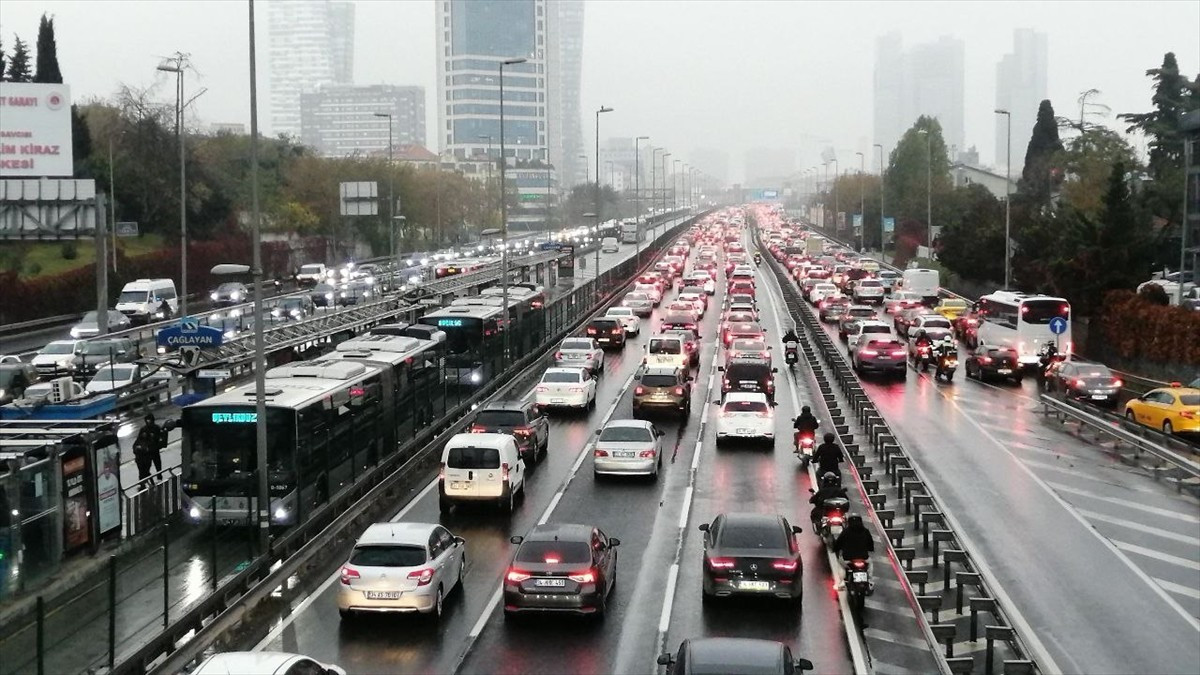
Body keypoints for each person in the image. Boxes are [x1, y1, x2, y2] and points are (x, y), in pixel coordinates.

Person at [833, 514, 876, 594]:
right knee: (870, 563)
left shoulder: (845, 532)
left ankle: (841, 582)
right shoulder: (865, 531)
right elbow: (870, 544)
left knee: (840, 564)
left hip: (848, 559)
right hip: (864, 558)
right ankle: (869, 580)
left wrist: (835, 548)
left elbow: (838, 543)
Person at [136, 414, 167, 479]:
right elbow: (139, 439)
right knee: (147, 468)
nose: (148, 422)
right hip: (147, 452)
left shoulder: (156, 428)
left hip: (154, 450)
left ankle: (159, 477)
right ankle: (147, 481)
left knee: (158, 465)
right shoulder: (144, 429)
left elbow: (161, 440)